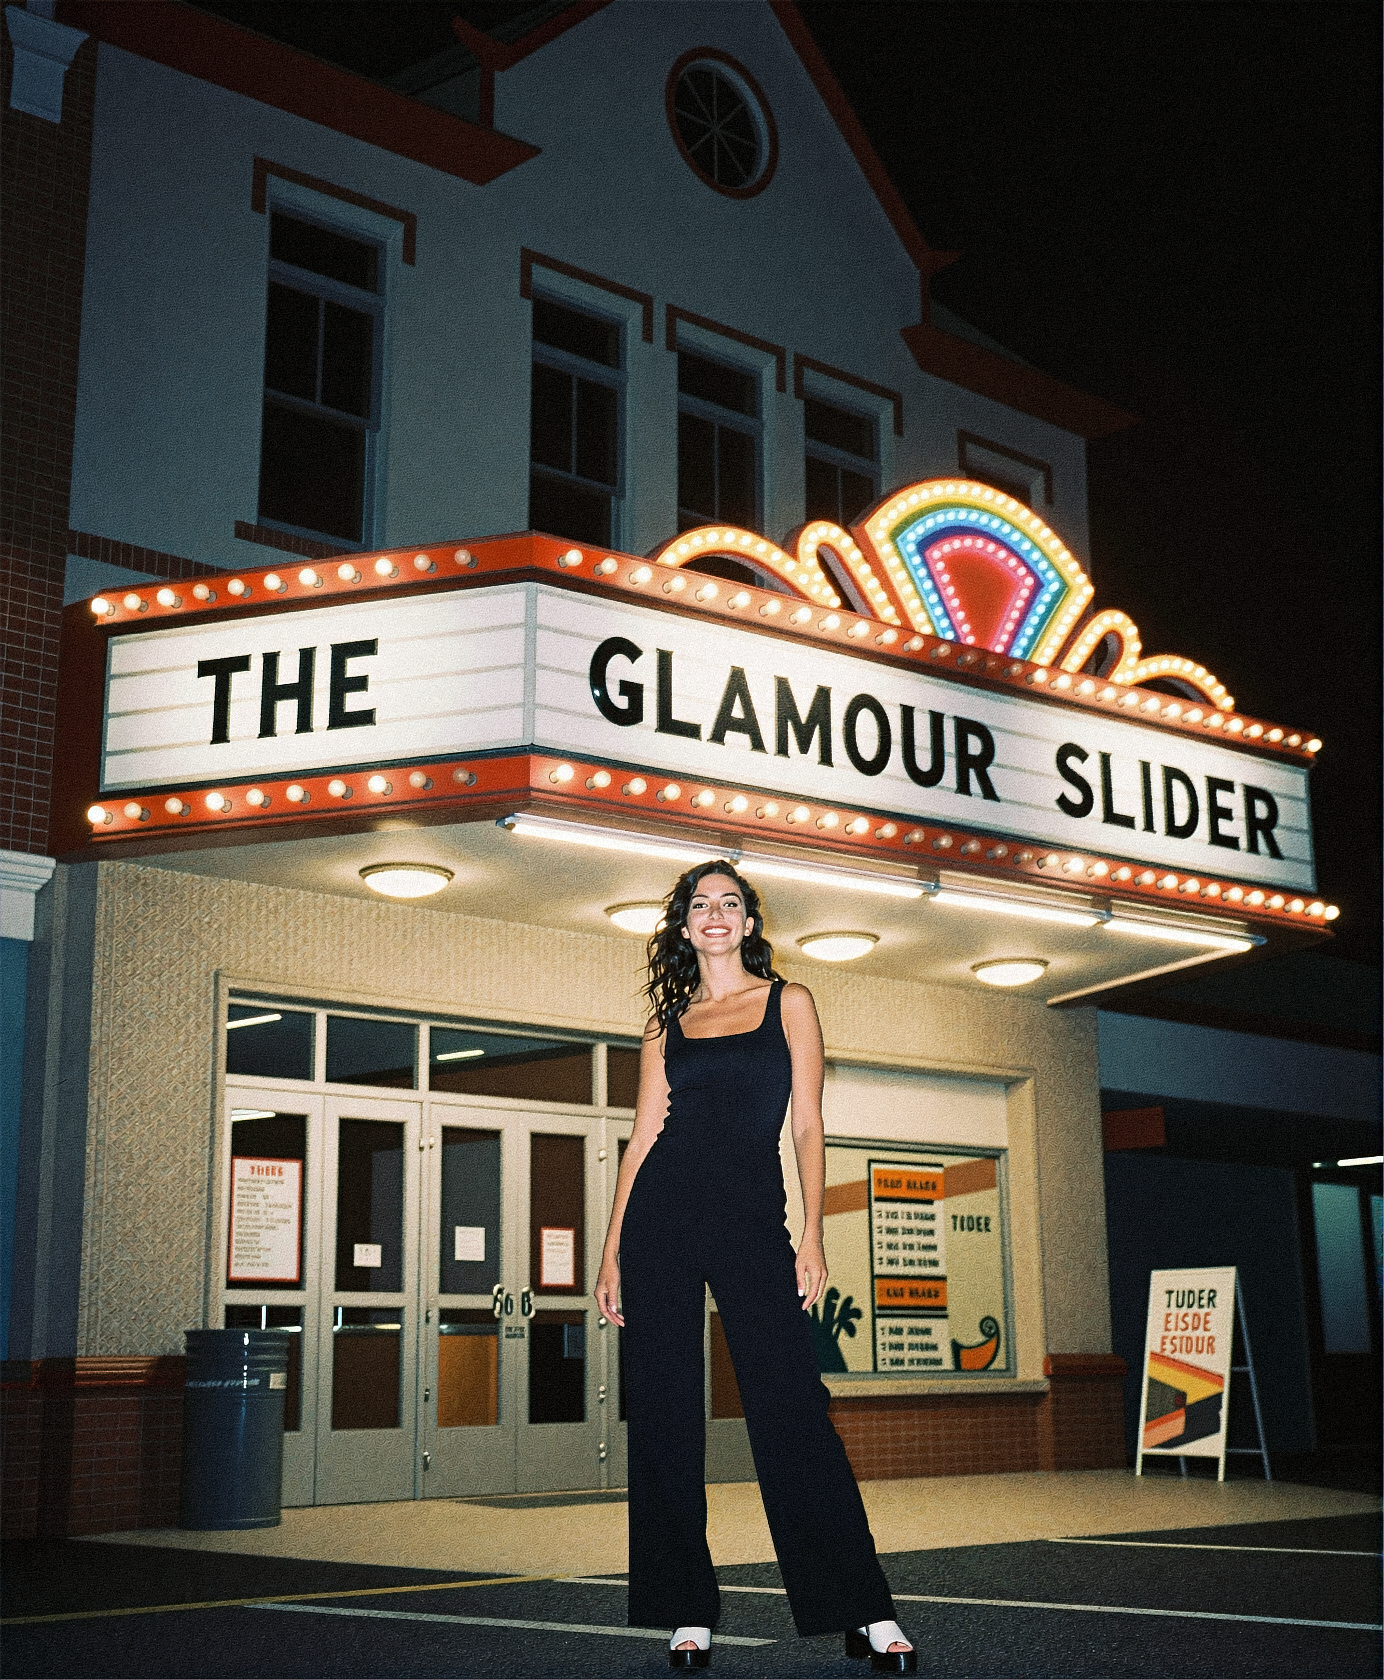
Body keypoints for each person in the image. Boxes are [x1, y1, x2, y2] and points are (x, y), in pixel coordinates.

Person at [595, 860, 916, 1673]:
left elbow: (807, 1123)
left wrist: (812, 1233)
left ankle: (862, 1607)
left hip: (750, 1225)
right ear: (684, 925)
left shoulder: (788, 1001)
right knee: (664, 1414)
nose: (715, 914)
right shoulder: (665, 1023)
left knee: (792, 1409)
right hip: (661, 1222)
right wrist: (611, 1249)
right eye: (699, 904)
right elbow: (642, 1137)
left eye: (729, 903)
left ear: (747, 922)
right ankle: (685, 1610)